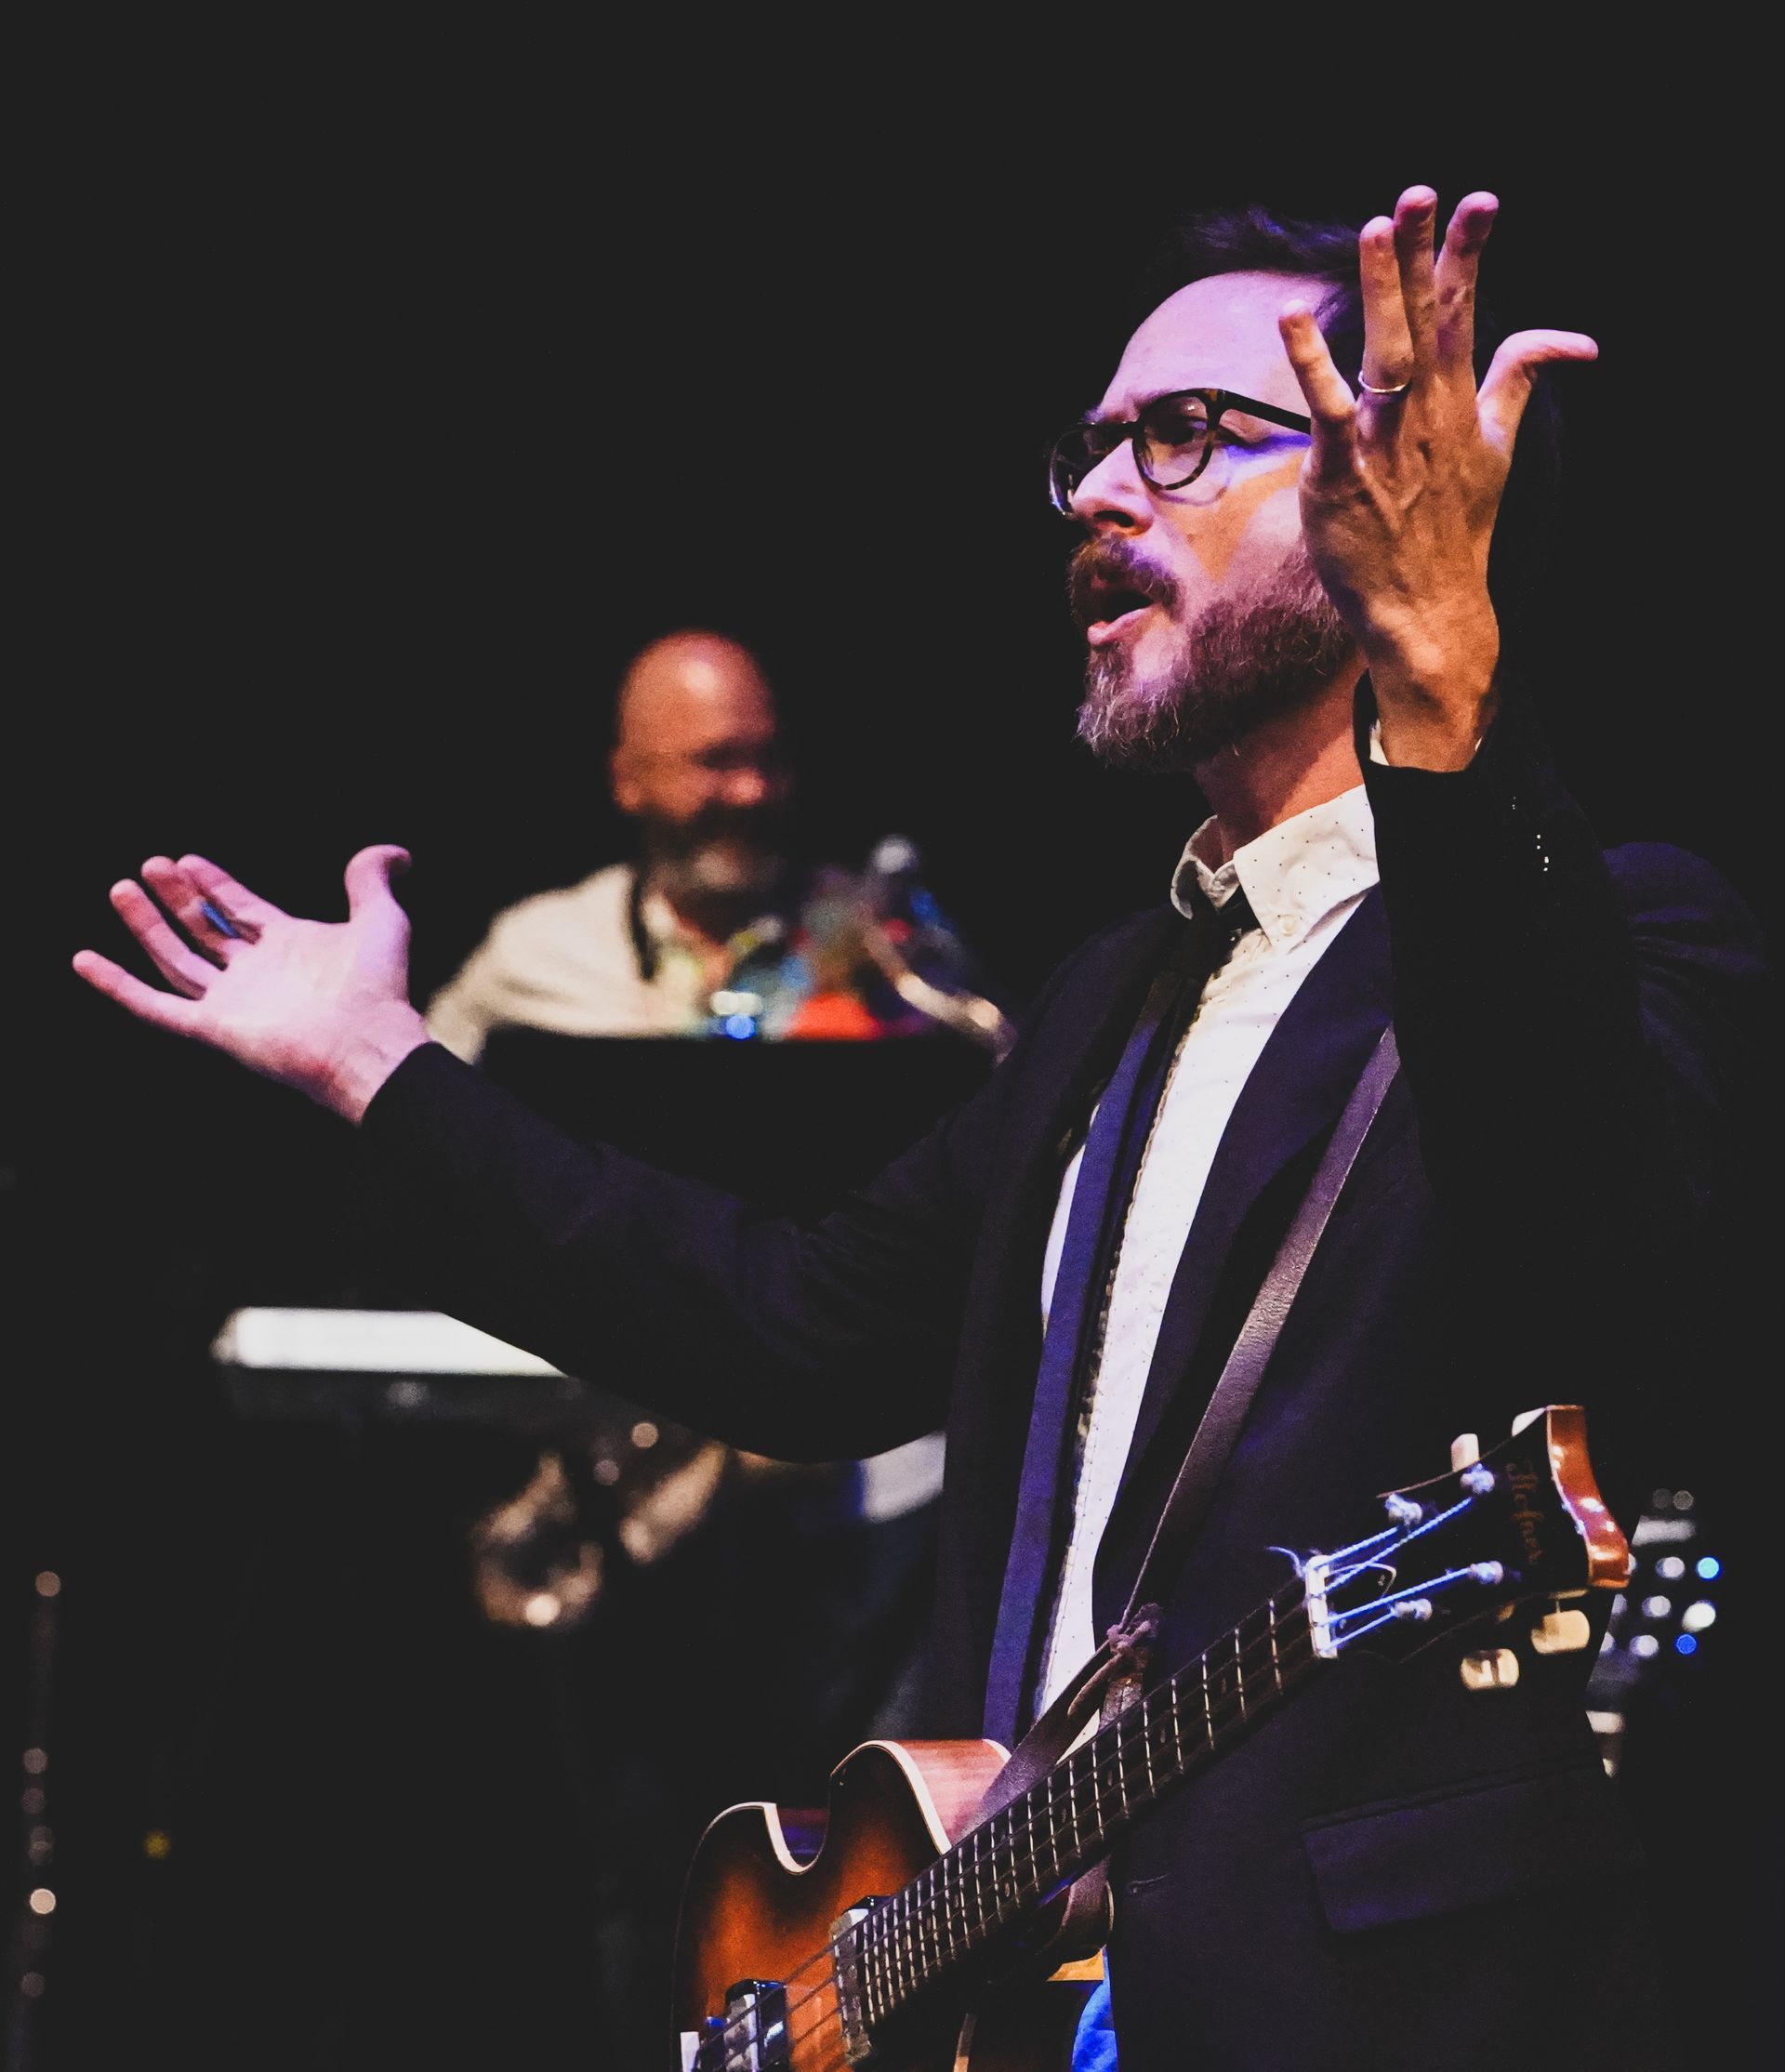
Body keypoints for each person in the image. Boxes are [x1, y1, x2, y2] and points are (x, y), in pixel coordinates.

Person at [75, 188, 1763, 2069]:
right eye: (1090, 448)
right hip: (1021, 1994)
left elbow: (1582, 1217)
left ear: (1398, 484)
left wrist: (1443, 671)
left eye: (1184, 434)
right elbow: (790, 1331)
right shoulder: (1112, 1003)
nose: (1100, 496)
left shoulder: (1622, 929)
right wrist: (375, 1066)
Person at [426, 627, 1004, 1057]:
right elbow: (425, 1132)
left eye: (769, 758)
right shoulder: (537, 950)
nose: (752, 792)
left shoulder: (884, 940)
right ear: (627, 780)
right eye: (715, 761)